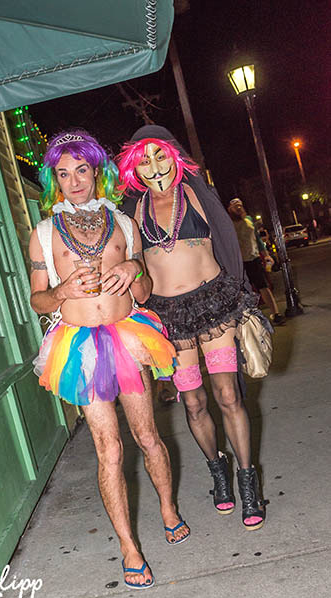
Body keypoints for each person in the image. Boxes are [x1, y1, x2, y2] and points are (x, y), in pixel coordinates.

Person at [29, 130, 190, 590]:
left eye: (81, 170)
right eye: (63, 173)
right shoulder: (42, 233)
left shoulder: (123, 224)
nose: (74, 181)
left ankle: (167, 507)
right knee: (108, 448)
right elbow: (38, 300)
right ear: (53, 180)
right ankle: (128, 547)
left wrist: (130, 269)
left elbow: (145, 290)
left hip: (128, 340)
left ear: (96, 172)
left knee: (147, 436)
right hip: (78, 348)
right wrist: (62, 292)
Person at [117, 124, 266, 531]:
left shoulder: (197, 194)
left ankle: (247, 480)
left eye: (160, 155)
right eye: (144, 160)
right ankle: (217, 469)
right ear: (135, 167)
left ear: (174, 156)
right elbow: (130, 267)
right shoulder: (132, 211)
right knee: (194, 402)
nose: (154, 166)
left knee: (228, 395)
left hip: (213, 305)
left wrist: (243, 298)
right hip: (170, 318)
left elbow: (227, 244)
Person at [228, 198, 285, 326]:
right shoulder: (229, 223)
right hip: (239, 262)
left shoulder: (248, 220)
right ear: (230, 209)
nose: (238, 208)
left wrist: (266, 254)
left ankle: (276, 313)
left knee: (263, 286)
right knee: (242, 290)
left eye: (240, 205)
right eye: (235, 206)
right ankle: (247, 320)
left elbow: (258, 240)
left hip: (254, 258)